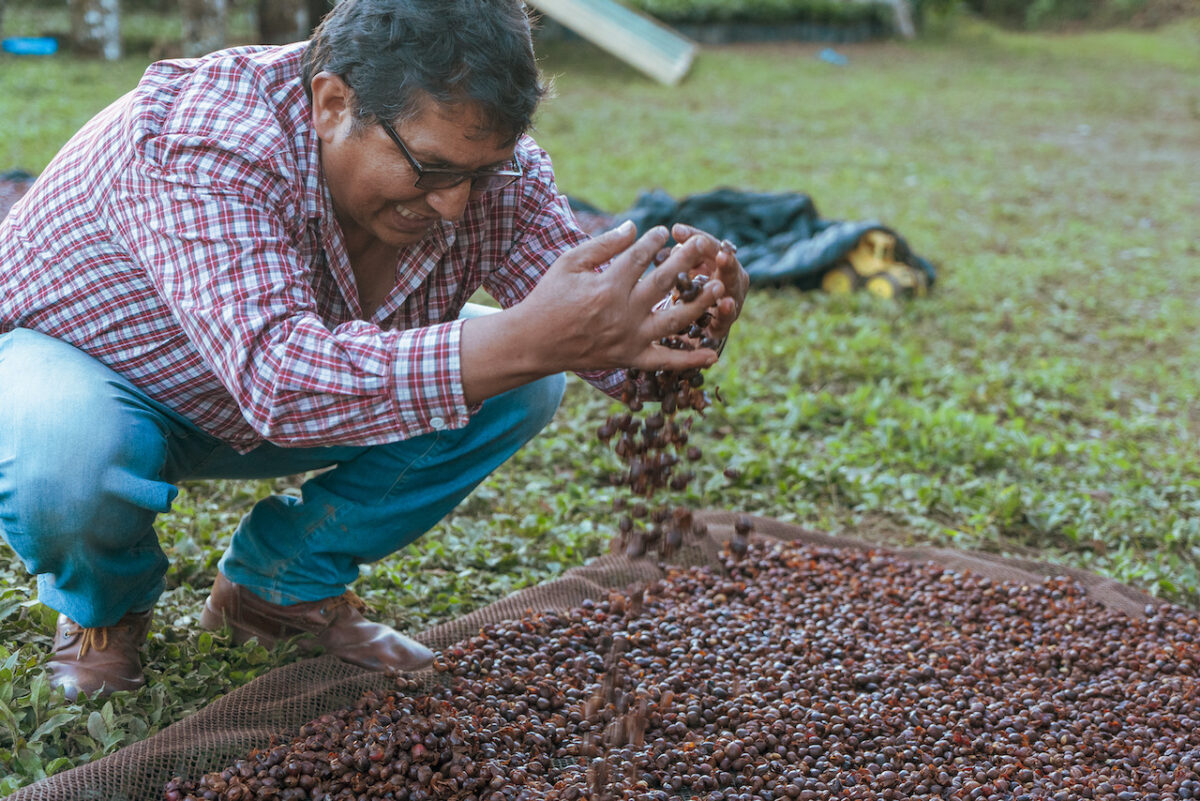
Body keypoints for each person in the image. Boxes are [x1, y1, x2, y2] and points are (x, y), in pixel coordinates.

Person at [0, 0, 747, 700]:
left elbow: (599, 332)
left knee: (526, 377)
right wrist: (528, 335)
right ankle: (105, 611)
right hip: (103, 377)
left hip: (261, 402)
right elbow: (279, 375)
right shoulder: (206, 136)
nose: (455, 203)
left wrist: (677, 330)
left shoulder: (497, 175)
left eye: (479, 172)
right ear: (332, 104)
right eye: (432, 169)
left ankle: (278, 588)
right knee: (62, 448)